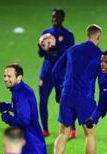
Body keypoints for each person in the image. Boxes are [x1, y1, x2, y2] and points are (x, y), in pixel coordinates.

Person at [51, 24, 102, 154]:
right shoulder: (100, 55)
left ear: (87, 35)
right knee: (90, 134)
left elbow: (55, 71)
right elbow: (103, 80)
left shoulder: (72, 50)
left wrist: (59, 91)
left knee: (63, 133)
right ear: (98, 37)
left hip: (67, 96)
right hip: (85, 100)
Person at [0, 63, 47, 154]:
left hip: (30, 145)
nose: (6, 79)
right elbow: (18, 108)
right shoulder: (20, 90)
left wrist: (7, 118)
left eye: (9, 76)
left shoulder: (21, 94)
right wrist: (1, 105)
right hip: (28, 144)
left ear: (19, 77)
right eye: (5, 76)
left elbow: (24, 121)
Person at [38, 8, 76, 138]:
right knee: (43, 100)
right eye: (53, 17)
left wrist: (57, 49)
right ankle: (44, 129)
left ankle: (72, 128)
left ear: (62, 19)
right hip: (46, 73)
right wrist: (42, 47)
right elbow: (40, 54)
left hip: (62, 74)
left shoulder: (68, 34)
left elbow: (71, 54)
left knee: (65, 100)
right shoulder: (46, 33)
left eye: (57, 17)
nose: (55, 19)